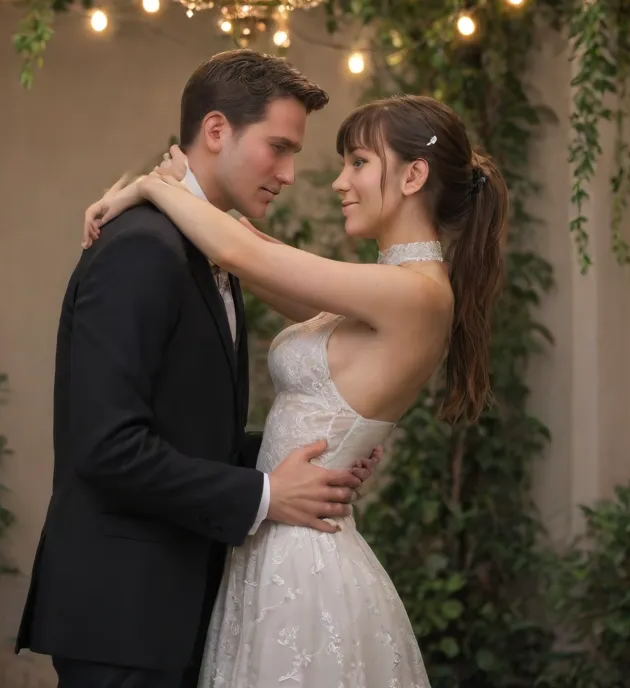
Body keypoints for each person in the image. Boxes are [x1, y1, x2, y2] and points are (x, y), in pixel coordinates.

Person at [81, 93, 509, 687]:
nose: (339, 182)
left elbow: (241, 253)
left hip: (307, 564)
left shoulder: (417, 293)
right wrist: (176, 192)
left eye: (358, 162)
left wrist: (155, 187)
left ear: (414, 175)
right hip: (273, 541)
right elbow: (261, 259)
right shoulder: (381, 287)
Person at [14, 49, 384, 688]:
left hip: (175, 607)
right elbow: (106, 448)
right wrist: (268, 496)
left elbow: (186, 432)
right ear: (217, 131)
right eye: (279, 147)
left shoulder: (207, 248)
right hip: (123, 616)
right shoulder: (140, 251)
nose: (291, 173)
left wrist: (307, 465)